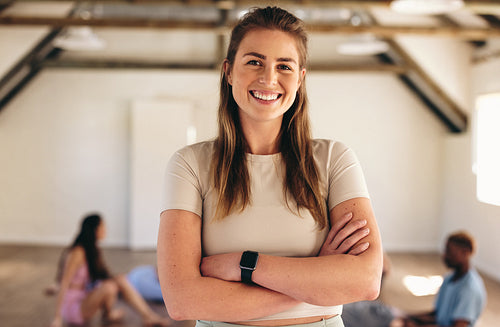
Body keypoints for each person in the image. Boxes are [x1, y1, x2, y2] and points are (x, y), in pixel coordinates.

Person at [157, 6, 383, 327]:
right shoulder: (189, 165)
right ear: (229, 71)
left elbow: (366, 281)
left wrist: (245, 266)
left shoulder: (334, 159)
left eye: (284, 66)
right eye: (254, 62)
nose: (269, 78)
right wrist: (316, 276)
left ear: (300, 78)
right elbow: (182, 300)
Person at [49, 213, 169, 327]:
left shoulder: (92, 249)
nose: (105, 230)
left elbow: (101, 275)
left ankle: (144, 316)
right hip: (73, 307)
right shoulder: (78, 252)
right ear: (95, 229)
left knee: (118, 280)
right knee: (110, 286)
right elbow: (64, 282)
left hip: (84, 297)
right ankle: (146, 316)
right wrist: (57, 318)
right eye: (103, 226)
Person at [404, 231, 487, 327]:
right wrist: (407, 317)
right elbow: (437, 315)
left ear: (465, 253)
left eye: (449, 252)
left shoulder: (469, 289)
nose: (444, 256)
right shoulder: (448, 280)